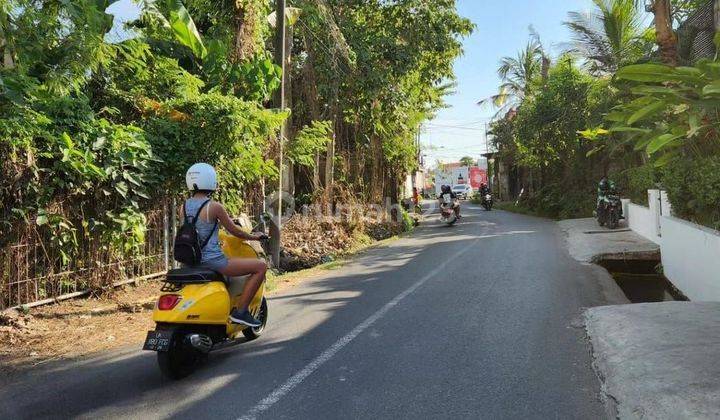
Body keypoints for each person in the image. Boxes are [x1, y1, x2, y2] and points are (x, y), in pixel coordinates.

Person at [183, 163, 267, 327]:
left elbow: (196, 230)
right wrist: (254, 237)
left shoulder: (183, 206)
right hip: (213, 261)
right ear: (210, 181)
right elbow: (236, 232)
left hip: (190, 260)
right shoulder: (214, 207)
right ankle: (241, 312)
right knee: (261, 267)